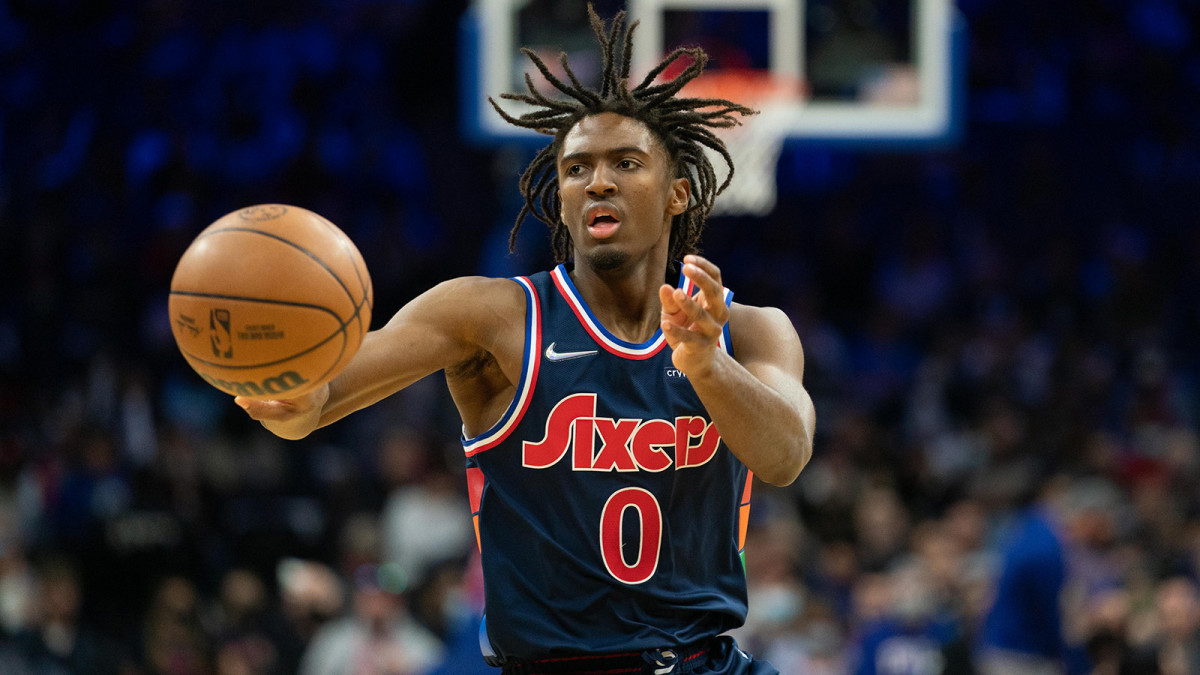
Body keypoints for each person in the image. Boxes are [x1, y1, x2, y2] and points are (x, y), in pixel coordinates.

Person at [237, 6, 814, 673]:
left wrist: (707, 365)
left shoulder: (751, 329)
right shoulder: (489, 317)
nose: (598, 180)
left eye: (626, 162)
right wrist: (283, 393)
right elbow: (321, 397)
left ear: (679, 192)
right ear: (561, 200)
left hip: (705, 661)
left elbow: (785, 455)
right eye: (577, 169)